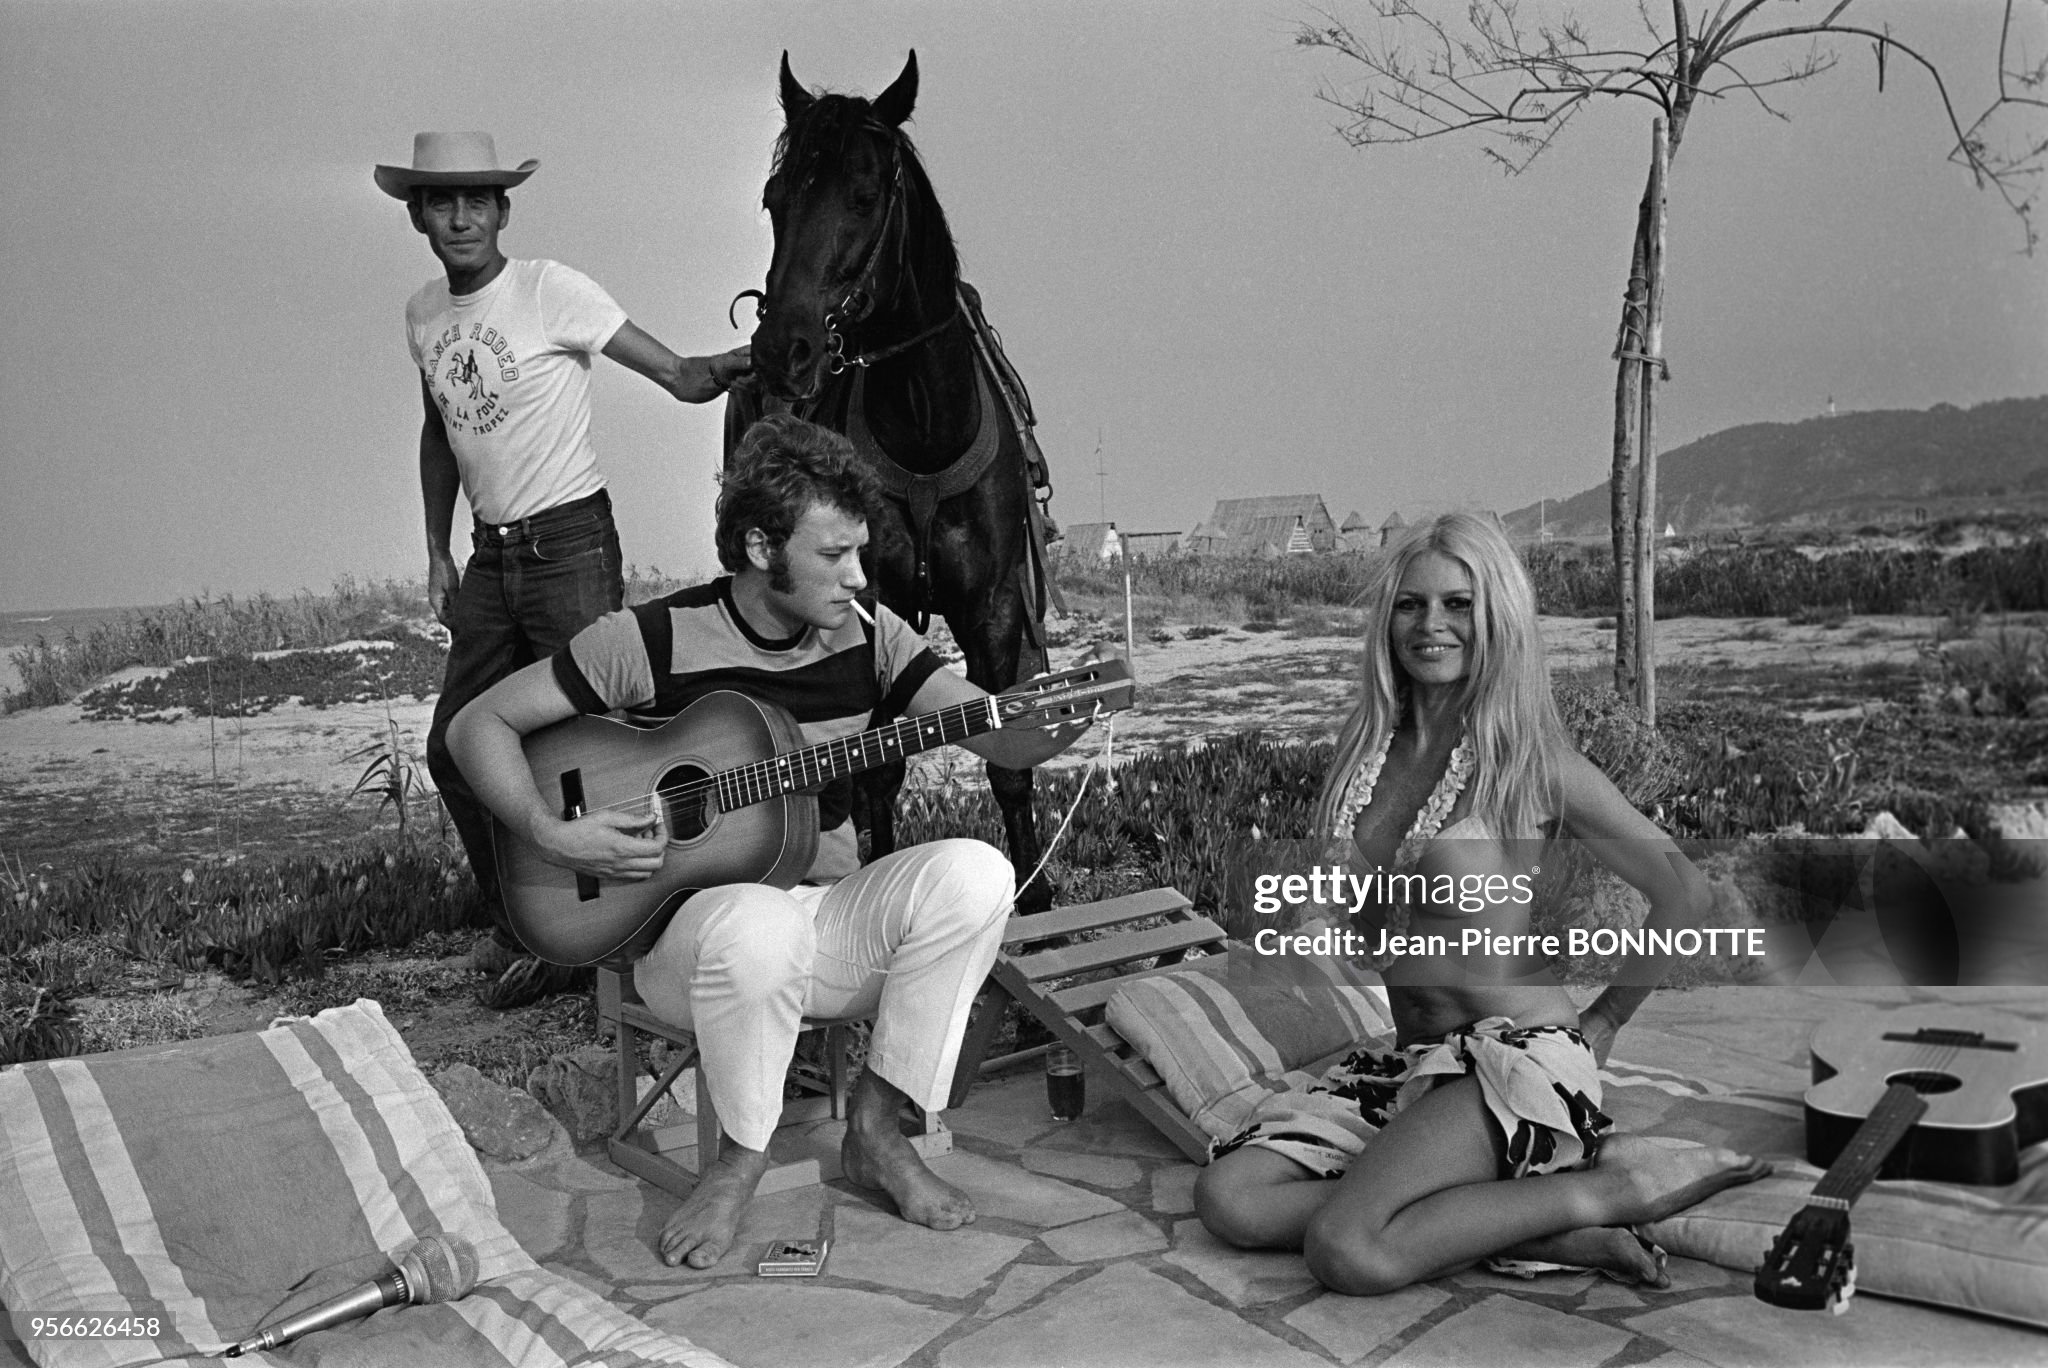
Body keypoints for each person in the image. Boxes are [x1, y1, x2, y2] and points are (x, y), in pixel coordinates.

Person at [448, 413, 1105, 1268]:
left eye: (861, 553)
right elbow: (478, 724)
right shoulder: (651, 639)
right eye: (834, 556)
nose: (857, 576)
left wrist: (1049, 722)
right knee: (757, 922)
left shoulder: (869, 634)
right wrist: (554, 834)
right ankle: (739, 1163)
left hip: (824, 922)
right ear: (761, 546)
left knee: (978, 871)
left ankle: (878, 1126)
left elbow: (993, 733)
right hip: (694, 950)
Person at [1194, 511, 1769, 1295]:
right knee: (1231, 1199)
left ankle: (1609, 1191)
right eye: (1411, 603)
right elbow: (1359, 919)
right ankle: (1542, 1231)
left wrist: (1604, 1022)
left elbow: (1684, 891)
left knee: (1348, 1250)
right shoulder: (1364, 758)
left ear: (1495, 615)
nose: (1431, 624)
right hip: (1410, 1064)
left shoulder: (1531, 765)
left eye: (1458, 604)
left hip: (1512, 1058)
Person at [375, 131, 753, 1009]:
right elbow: (440, 431)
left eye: (478, 199)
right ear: (418, 216)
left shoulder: (550, 290)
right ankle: (532, 930)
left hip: (571, 548)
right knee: (453, 750)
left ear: (504, 210)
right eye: (442, 201)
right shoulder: (423, 313)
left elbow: (680, 375)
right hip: (490, 558)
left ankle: (643, 936)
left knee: (609, 747)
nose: (461, 216)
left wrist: (747, 363)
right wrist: (439, 549)